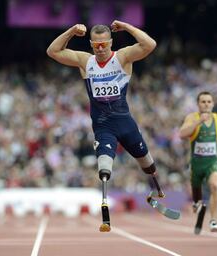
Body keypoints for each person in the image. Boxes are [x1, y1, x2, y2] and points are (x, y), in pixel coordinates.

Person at [47, 20, 161, 231]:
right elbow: (52, 51)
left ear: (110, 42)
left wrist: (127, 27)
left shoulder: (123, 57)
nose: (100, 49)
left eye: (104, 44)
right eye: (96, 45)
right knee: (104, 166)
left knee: (145, 159)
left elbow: (150, 44)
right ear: (91, 44)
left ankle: (156, 186)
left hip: (125, 122)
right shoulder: (85, 61)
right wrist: (72, 31)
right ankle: (105, 207)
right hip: (102, 125)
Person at [179, 91, 217, 233]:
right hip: (196, 164)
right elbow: (182, 134)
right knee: (197, 200)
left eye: (209, 101)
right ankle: (197, 203)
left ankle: (213, 220)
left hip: (212, 162)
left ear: (213, 104)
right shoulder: (191, 118)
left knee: (215, 185)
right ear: (198, 104)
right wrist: (199, 121)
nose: (206, 104)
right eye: (203, 101)